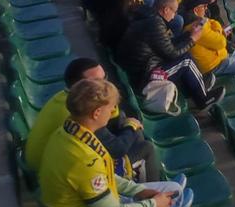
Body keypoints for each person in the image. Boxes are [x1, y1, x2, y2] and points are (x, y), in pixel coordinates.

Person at [37, 78, 204, 207]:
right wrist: (153, 204)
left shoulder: (67, 131)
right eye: (110, 109)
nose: (112, 114)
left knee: (174, 189)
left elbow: (104, 176)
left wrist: (138, 190)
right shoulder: (85, 161)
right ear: (97, 113)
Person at [24, 57, 158, 183]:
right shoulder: (80, 112)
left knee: (134, 133)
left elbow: (116, 118)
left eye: (105, 78)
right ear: (81, 87)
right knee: (146, 147)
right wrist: (130, 127)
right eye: (98, 82)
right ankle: (155, 196)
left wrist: (125, 123)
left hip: (57, 166)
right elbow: (116, 149)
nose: (106, 85)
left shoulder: (68, 98)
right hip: (53, 175)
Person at [116, 0, 222, 112]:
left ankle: (195, 88)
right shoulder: (155, 24)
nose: (175, 15)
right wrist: (192, 40)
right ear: (166, 10)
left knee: (184, 57)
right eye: (174, 11)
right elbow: (172, 53)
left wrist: (188, 35)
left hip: (142, 69)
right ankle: (202, 100)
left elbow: (167, 44)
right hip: (144, 78)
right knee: (185, 61)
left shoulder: (149, 19)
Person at [187, 0, 235, 93]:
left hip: (218, 57)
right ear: (195, 10)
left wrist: (219, 32)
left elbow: (212, 22)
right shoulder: (198, 28)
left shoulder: (200, 21)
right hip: (214, 66)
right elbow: (221, 43)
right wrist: (221, 32)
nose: (206, 8)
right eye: (203, 6)